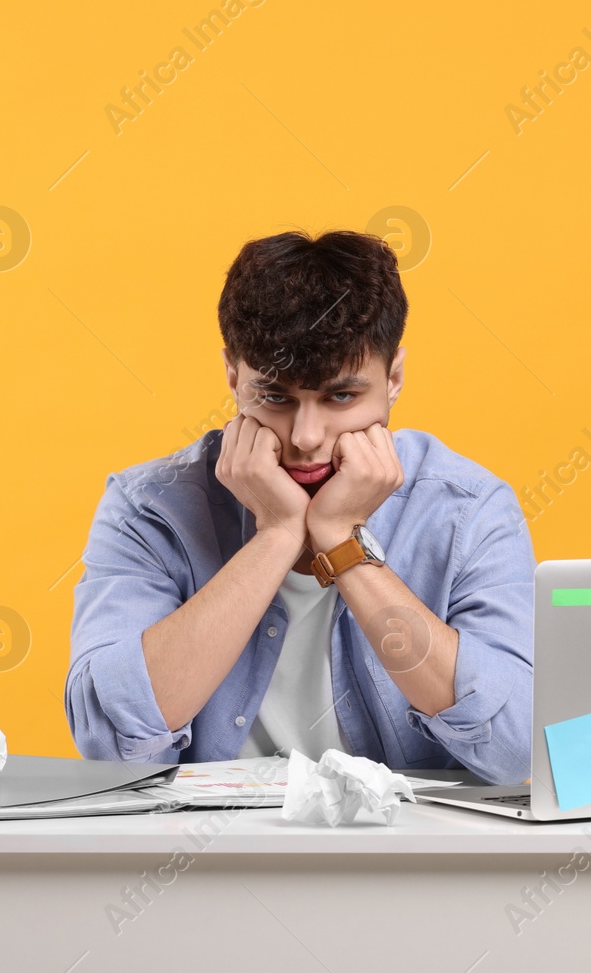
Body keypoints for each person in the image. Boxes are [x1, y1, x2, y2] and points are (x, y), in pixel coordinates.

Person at [64, 229, 533, 782]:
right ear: (234, 378)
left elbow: (511, 749)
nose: (307, 437)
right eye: (276, 397)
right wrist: (278, 535)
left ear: (395, 378)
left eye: (341, 396)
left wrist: (342, 540)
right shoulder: (148, 508)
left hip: (404, 859)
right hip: (201, 858)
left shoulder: (468, 509)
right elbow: (111, 745)